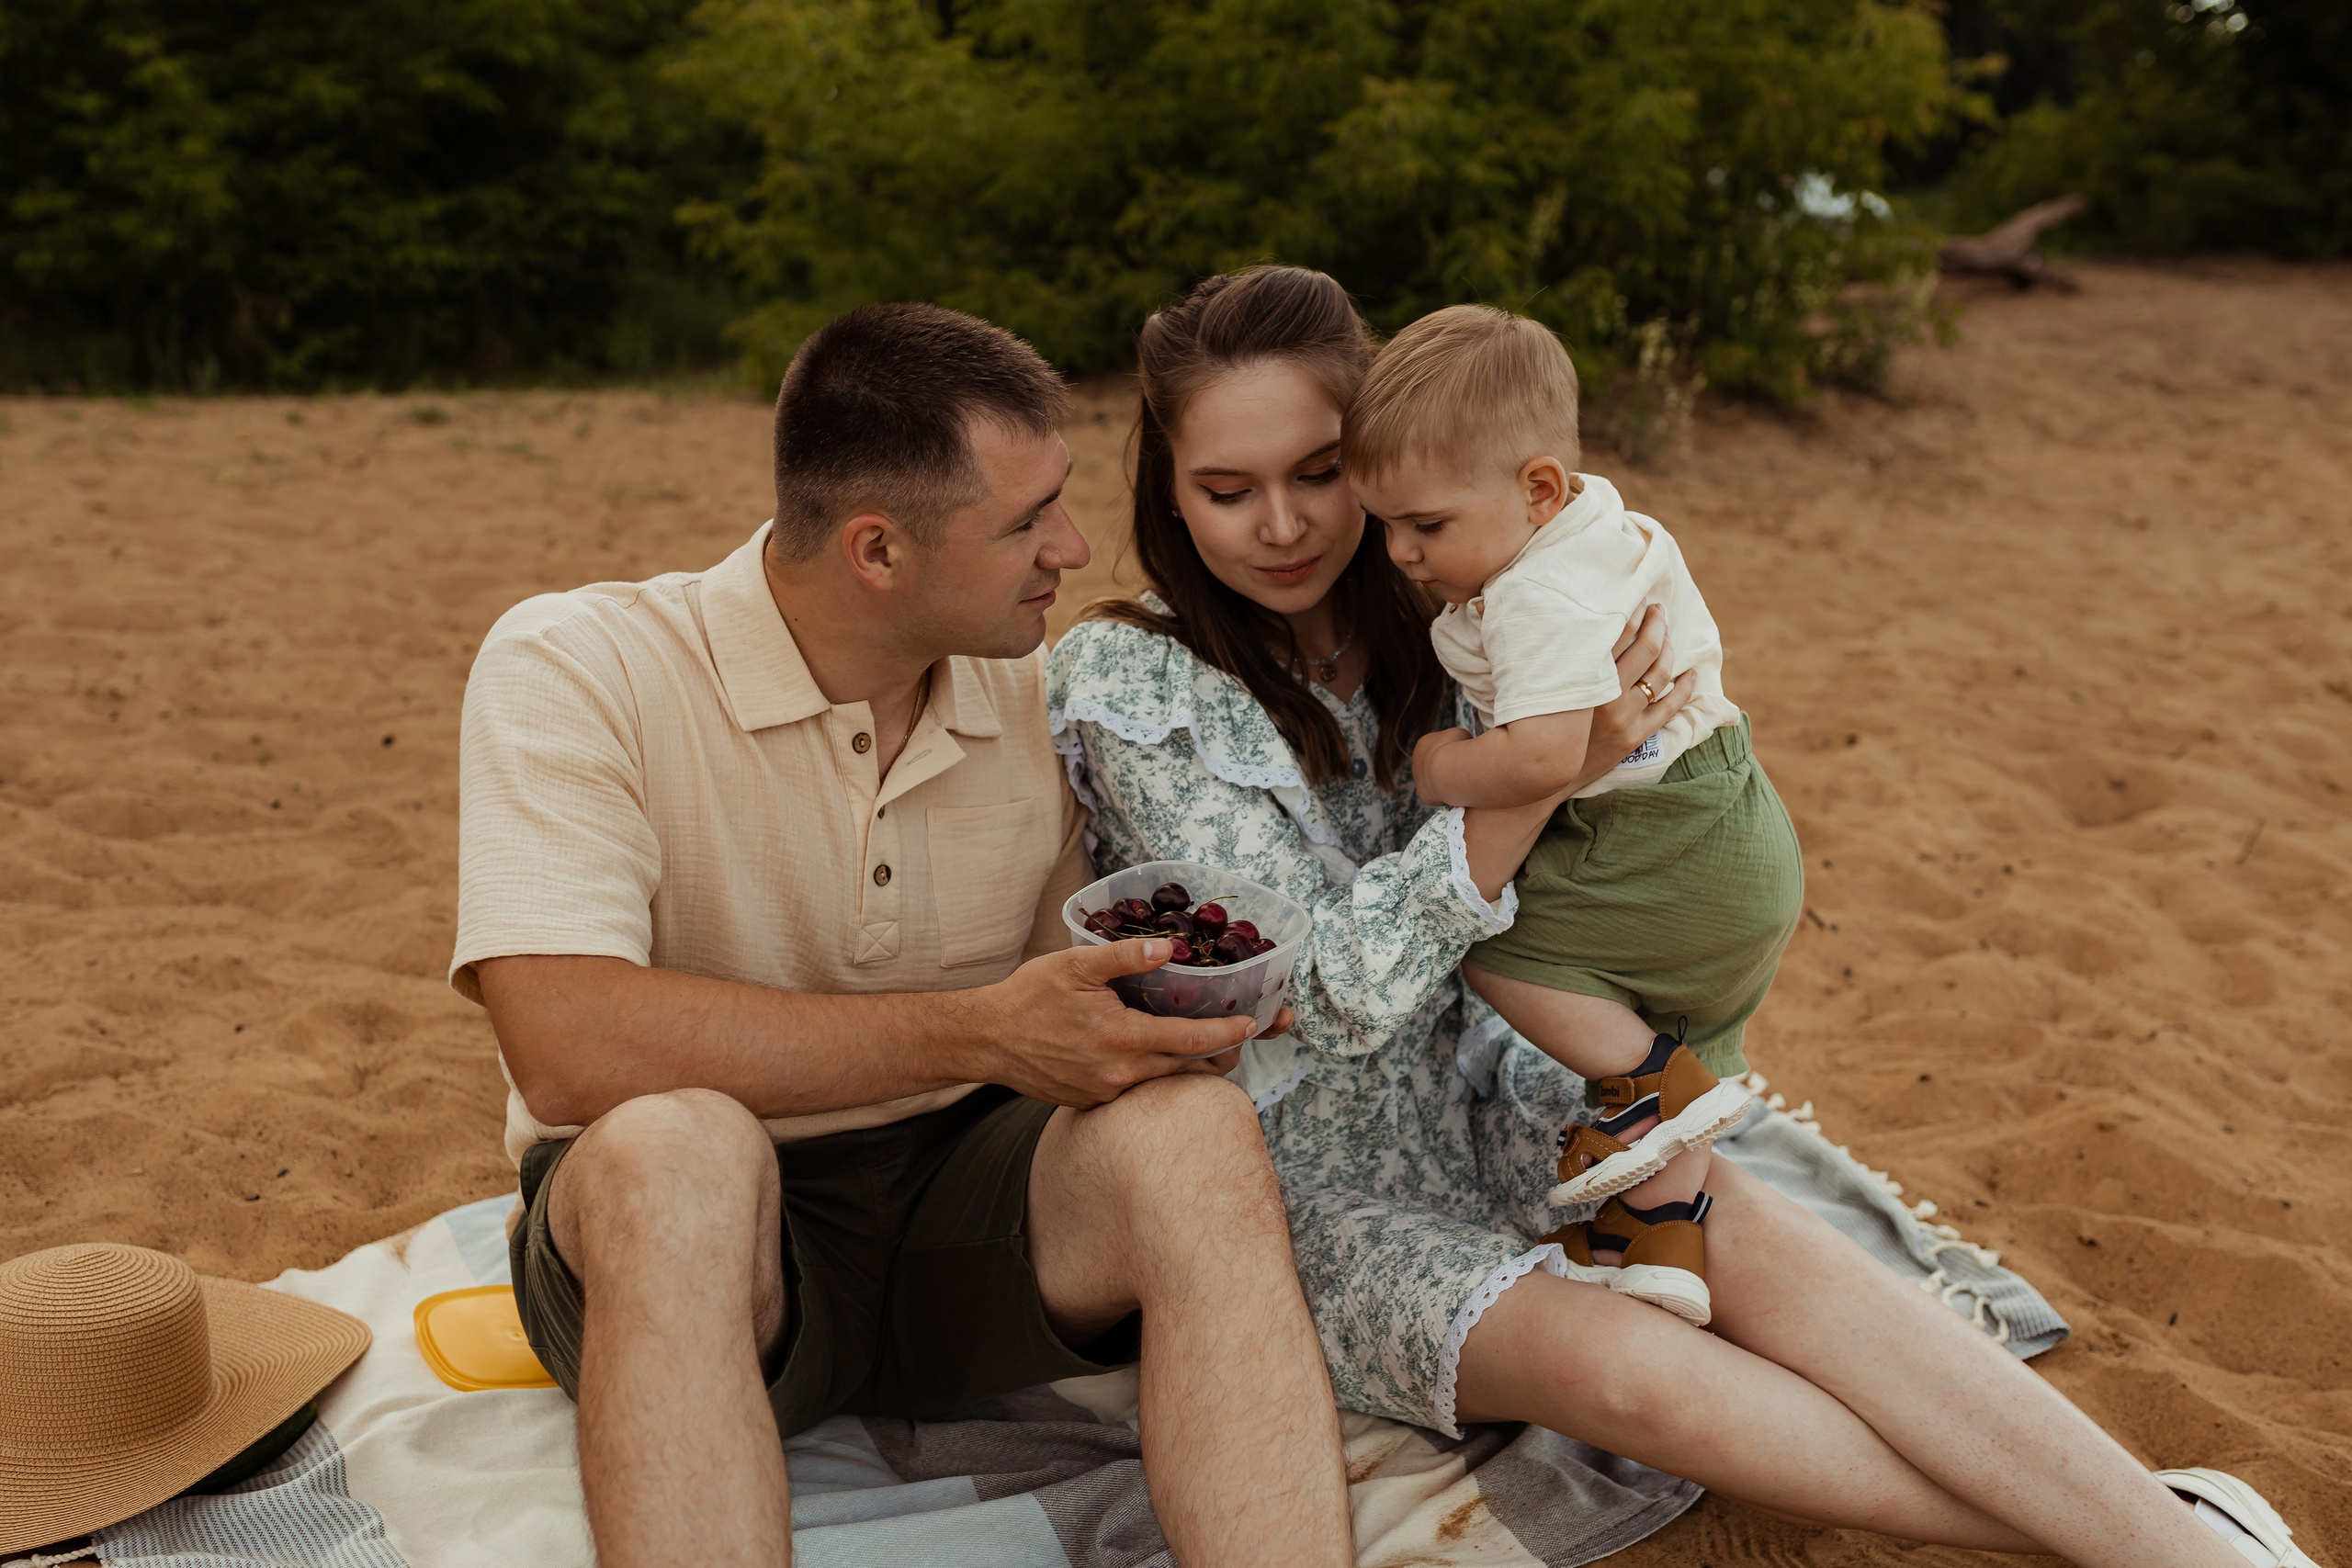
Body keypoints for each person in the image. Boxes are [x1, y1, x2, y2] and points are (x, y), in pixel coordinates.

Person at [1046, 264, 2314, 1568]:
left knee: (1757, 1242)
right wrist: (1544, 776)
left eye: (1319, 472)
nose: (1283, 525)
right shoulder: (1132, 678)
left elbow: (1647, 759)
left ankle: (2182, 1544)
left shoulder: (1462, 600)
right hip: (1306, 1179)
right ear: (1166, 485)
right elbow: (1329, 990)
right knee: (1632, 1370)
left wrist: (1597, 759)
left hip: (1507, 1078)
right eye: (1225, 489)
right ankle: (2157, 1533)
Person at [451, 303, 1353, 1568]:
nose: (1073, 545)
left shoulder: (1033, 689)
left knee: (1196, 1135)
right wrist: (976, 1028)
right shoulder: (578, 666)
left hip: (964, 1212)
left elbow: (1066, 993)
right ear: (877, 549)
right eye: (1026, 519)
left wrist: (1173, 1012)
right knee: (675, 1151)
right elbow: (562, 1044)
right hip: (702, 1241)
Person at [1343, 302, 1804, 1326]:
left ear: (1537, 486)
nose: (1400, 554)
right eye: (1385, 525)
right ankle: (1658, 1243)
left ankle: (1652, 1080)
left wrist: (1438, 765)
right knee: (1671, 1058)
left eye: (1425, 525)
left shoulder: (1535, 597)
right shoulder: (1590, 524)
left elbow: (1549, 754)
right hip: (1733, 817)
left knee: (1489, 945)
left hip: (1662, 839)